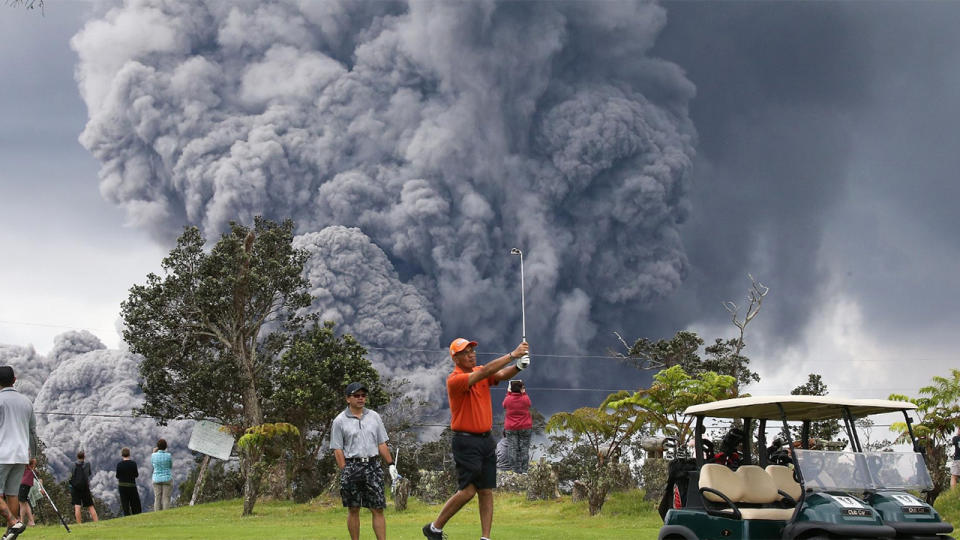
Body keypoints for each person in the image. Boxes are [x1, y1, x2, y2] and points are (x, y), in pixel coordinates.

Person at [422, 338, 529, 540]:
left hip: (486, 439)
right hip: (466, 441)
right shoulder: (455, 379)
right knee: (468, 491)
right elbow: (485, 372)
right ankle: (434, 528)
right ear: (455, 357)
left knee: (486, 490)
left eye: (472, 350)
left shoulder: (480, 371)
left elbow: (500, 374)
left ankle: (485, 538)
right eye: (465, 352)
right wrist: (513, 355)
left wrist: (518, 367)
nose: (471, 354)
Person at [330, 382, 398, 540]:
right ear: (348, 399)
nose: (361, 398)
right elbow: (337, 449)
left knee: (377, 508)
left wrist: (390, 464)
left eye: (363, 395)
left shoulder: (374, 416)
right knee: (353, 508)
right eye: (356, 395)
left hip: (373, 465)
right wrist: (344, 469)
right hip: (352, 465)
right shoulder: (339, 421)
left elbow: (381, 443)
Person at [0, 366, 36, 540]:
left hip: (2, 454)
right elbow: (32, 432)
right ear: (14, 380)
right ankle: (9, 535)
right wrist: (32, 456)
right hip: (21, 455)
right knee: (12, 494)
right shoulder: (26, 402)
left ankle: (14, 522)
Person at [502, 380, 532, 473]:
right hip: (525, 427)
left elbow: (504, 405)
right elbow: (529, 404)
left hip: (511, 428)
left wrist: (508, 392)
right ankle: (524, 471)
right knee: (524, 448)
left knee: (512, 448)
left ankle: (514, 471)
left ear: (511, 389)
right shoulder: (525, 398)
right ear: (521, 389)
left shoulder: (508, 399)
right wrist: (523, 393)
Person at [69, 451, 98, 524]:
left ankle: (79, 524)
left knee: (77, 506)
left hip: (75, 488)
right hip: (85, 487)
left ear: (77, 457)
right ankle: (96, 522)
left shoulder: (73, 465)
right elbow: (89, 474)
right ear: (84, 457)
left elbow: (72, 474)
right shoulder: (87, 464)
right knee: (90, 506)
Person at [116, 448, 141, 516]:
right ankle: (136, 517)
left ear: (122, 455)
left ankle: (127, 517)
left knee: (125, 504)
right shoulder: (133, 464)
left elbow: (117, 476)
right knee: (134, 504)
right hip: (131, 486)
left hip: (122, 487)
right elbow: (136, 475)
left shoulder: (119, 464)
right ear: (129, 454)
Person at [151, 439, 173, 511]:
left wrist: (154, 452)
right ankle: (165, 515)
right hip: (167, 478)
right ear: (166, 446)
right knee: (166, 498)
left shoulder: (153, 455)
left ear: (157, 446)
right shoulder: (168, 455)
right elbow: (170, 466)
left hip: (156, 478)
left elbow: (153, 465)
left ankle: (157, 515)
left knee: (157, 498)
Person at [17, 460, 39, 527]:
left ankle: (22, 521)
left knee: (22, 503)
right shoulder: (31, 470)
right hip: (27, 484)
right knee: (25, 502)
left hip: (23, 484)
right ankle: (31, 521)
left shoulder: (27, 467)